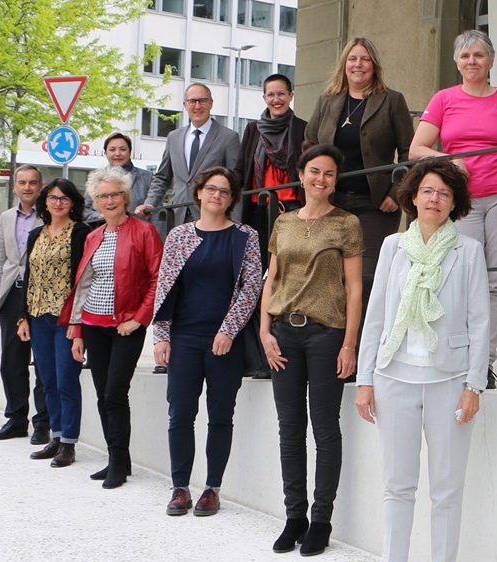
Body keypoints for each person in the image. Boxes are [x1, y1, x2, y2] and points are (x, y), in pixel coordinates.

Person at [355, 158, 490, 562]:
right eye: (428, 191)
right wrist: (365, 379)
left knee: (447, 486)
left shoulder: (468, 250)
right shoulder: (393, 246)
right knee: (397, 483)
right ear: (413, 197)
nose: (435, 199)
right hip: (393, 377)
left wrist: (474, 385)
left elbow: (479, 321)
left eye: (444, 193)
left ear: (455, 203)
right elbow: (376, 315)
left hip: (450, 380)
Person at [410, 30, 497, 386]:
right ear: (457, 62)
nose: (472, 61)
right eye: (465, 55)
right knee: (464, 279)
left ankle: (485, 362)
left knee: (496, 280)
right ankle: (462, 356)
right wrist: (450, 158)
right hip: (462, 201)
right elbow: (417, 149)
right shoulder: (444, 99)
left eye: (479, 55)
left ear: (491, 61)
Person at [259, 144, 363, 557]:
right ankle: (294, 517)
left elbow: (353, 290)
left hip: (326, 336)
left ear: (335, 181)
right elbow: (271, 280)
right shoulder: (283, 222)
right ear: (301, 175)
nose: (321, 179)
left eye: (329, 173)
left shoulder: (347, 223)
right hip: (283, 335)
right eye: (315, 171)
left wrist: (349, 344)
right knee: (289, 429)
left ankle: (321, 520)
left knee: (324, 428)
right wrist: (264, 331)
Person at [150, 166, 263, 517]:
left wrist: (228, 330)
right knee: (180, 415)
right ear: (199, 193)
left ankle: (212, 489)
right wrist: (161, 336)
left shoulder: (245, 236)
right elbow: (165, 287)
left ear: (232, 199)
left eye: (224, 191)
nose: (217, 195)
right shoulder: (179, 236)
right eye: (211, 189)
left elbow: (251, 288)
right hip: (183, 338)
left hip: (224, 342)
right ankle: (180, 487)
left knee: (220, 416)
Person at [68, 166, 163, 489]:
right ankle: (116, 459)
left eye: (115, 194)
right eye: (102, 196)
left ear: (125, 196)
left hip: (126, 326)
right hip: (93, 324)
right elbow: (84, 285)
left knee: (114, 394)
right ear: (95, 201)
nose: (109, 201)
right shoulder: (93, 236)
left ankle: (119, 464)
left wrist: (139, 318)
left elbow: (158, 279)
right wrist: (77, 331)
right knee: (102, 394)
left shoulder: (144, 232)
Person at [302, 38, 413, 309]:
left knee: (366, 279)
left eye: (365, 59)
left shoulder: (392, 100)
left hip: (376, 205)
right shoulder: (328, 101)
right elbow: (309, 145)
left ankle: (363, 335)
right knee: (328, 275)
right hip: (331, 203)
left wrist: (396, 191)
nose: (358, 64)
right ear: (344, 64)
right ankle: (335, 335)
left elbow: (409, 153)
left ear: (374, 65)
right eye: (352, 59)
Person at [235, 73, 308, 378]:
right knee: (254, 281)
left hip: (291, 212)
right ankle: (256, 357)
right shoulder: (253, 129)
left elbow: (307, 169)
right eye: (270, 94)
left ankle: (281, 353)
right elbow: (241, 169)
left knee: (283, 280)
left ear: (291, 96)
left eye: (281, 94)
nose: (276, 99)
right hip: (258, 212)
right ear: (264, 98)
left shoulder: (303, 128)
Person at [17, 178, 90, 468]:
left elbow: (84, 280)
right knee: (47, 381)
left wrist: (79, 322)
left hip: (66, 319)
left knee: (66, 381)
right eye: (52, 198)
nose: (58, 203)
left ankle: (69, 444)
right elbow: (29, 277)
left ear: (73, 202)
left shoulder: (81, 232)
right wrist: (23, 316)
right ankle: (56, 437)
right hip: (38, 317)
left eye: (64, 198)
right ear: (44, 202)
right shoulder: (36, 234)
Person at [0, 165, 50, 444]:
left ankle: (43, 423)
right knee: (12, 361)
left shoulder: (50, 215)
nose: (27, 187)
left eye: (32, 182)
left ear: (40, 186)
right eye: (22, 182)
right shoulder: (6, 217)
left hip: (43, 295)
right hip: (12, 294)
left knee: (43, 363)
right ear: (14, 186)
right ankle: (15, 420)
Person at [138, 83, 242, 230]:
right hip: (178, 217)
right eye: (192, 101)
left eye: (202, 101)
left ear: (211, 103)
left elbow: (236, 183)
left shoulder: (228, 137)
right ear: (185, 105)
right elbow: (162, 177)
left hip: (214, 219)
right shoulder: (174, 137)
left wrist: (235, 222)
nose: (197, 106)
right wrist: (150, 203)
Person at [85, 132, 149, 222]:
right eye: (112, 150)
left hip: (139, 229)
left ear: (130, 152)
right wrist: (100, 216)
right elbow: (85, 210)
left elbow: (156, 214)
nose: (117, 153)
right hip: (107, 228)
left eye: (122, 149)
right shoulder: (97, 179)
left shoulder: (147, 177)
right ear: (106, 153)